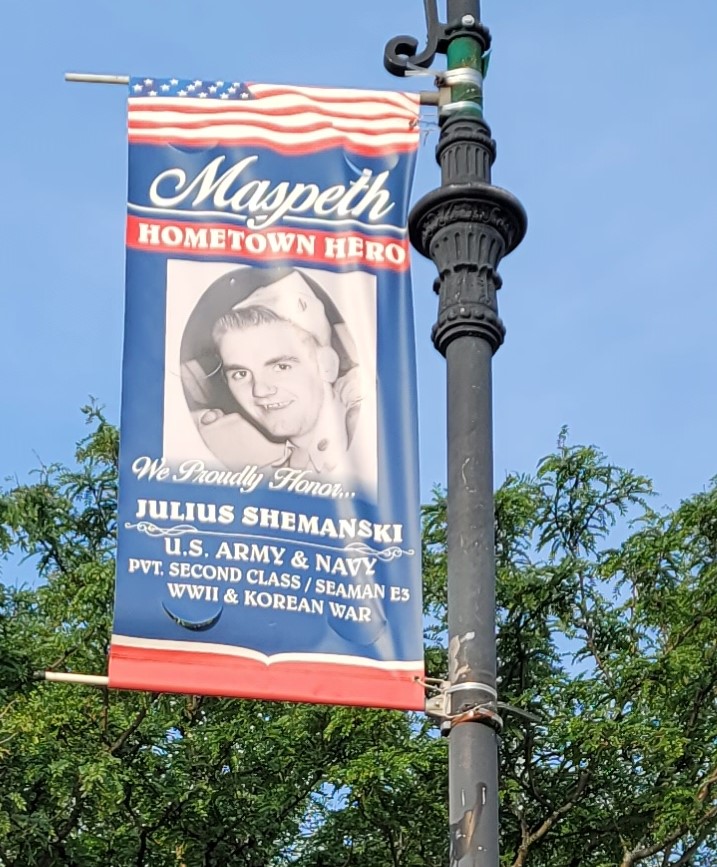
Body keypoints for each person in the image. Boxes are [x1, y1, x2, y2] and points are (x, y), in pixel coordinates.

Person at [184, 269, 364, 480]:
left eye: (281, 367)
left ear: (327, 365)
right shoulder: (267, 467)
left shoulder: (363, 430)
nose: (259, 390)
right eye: (241, 374)